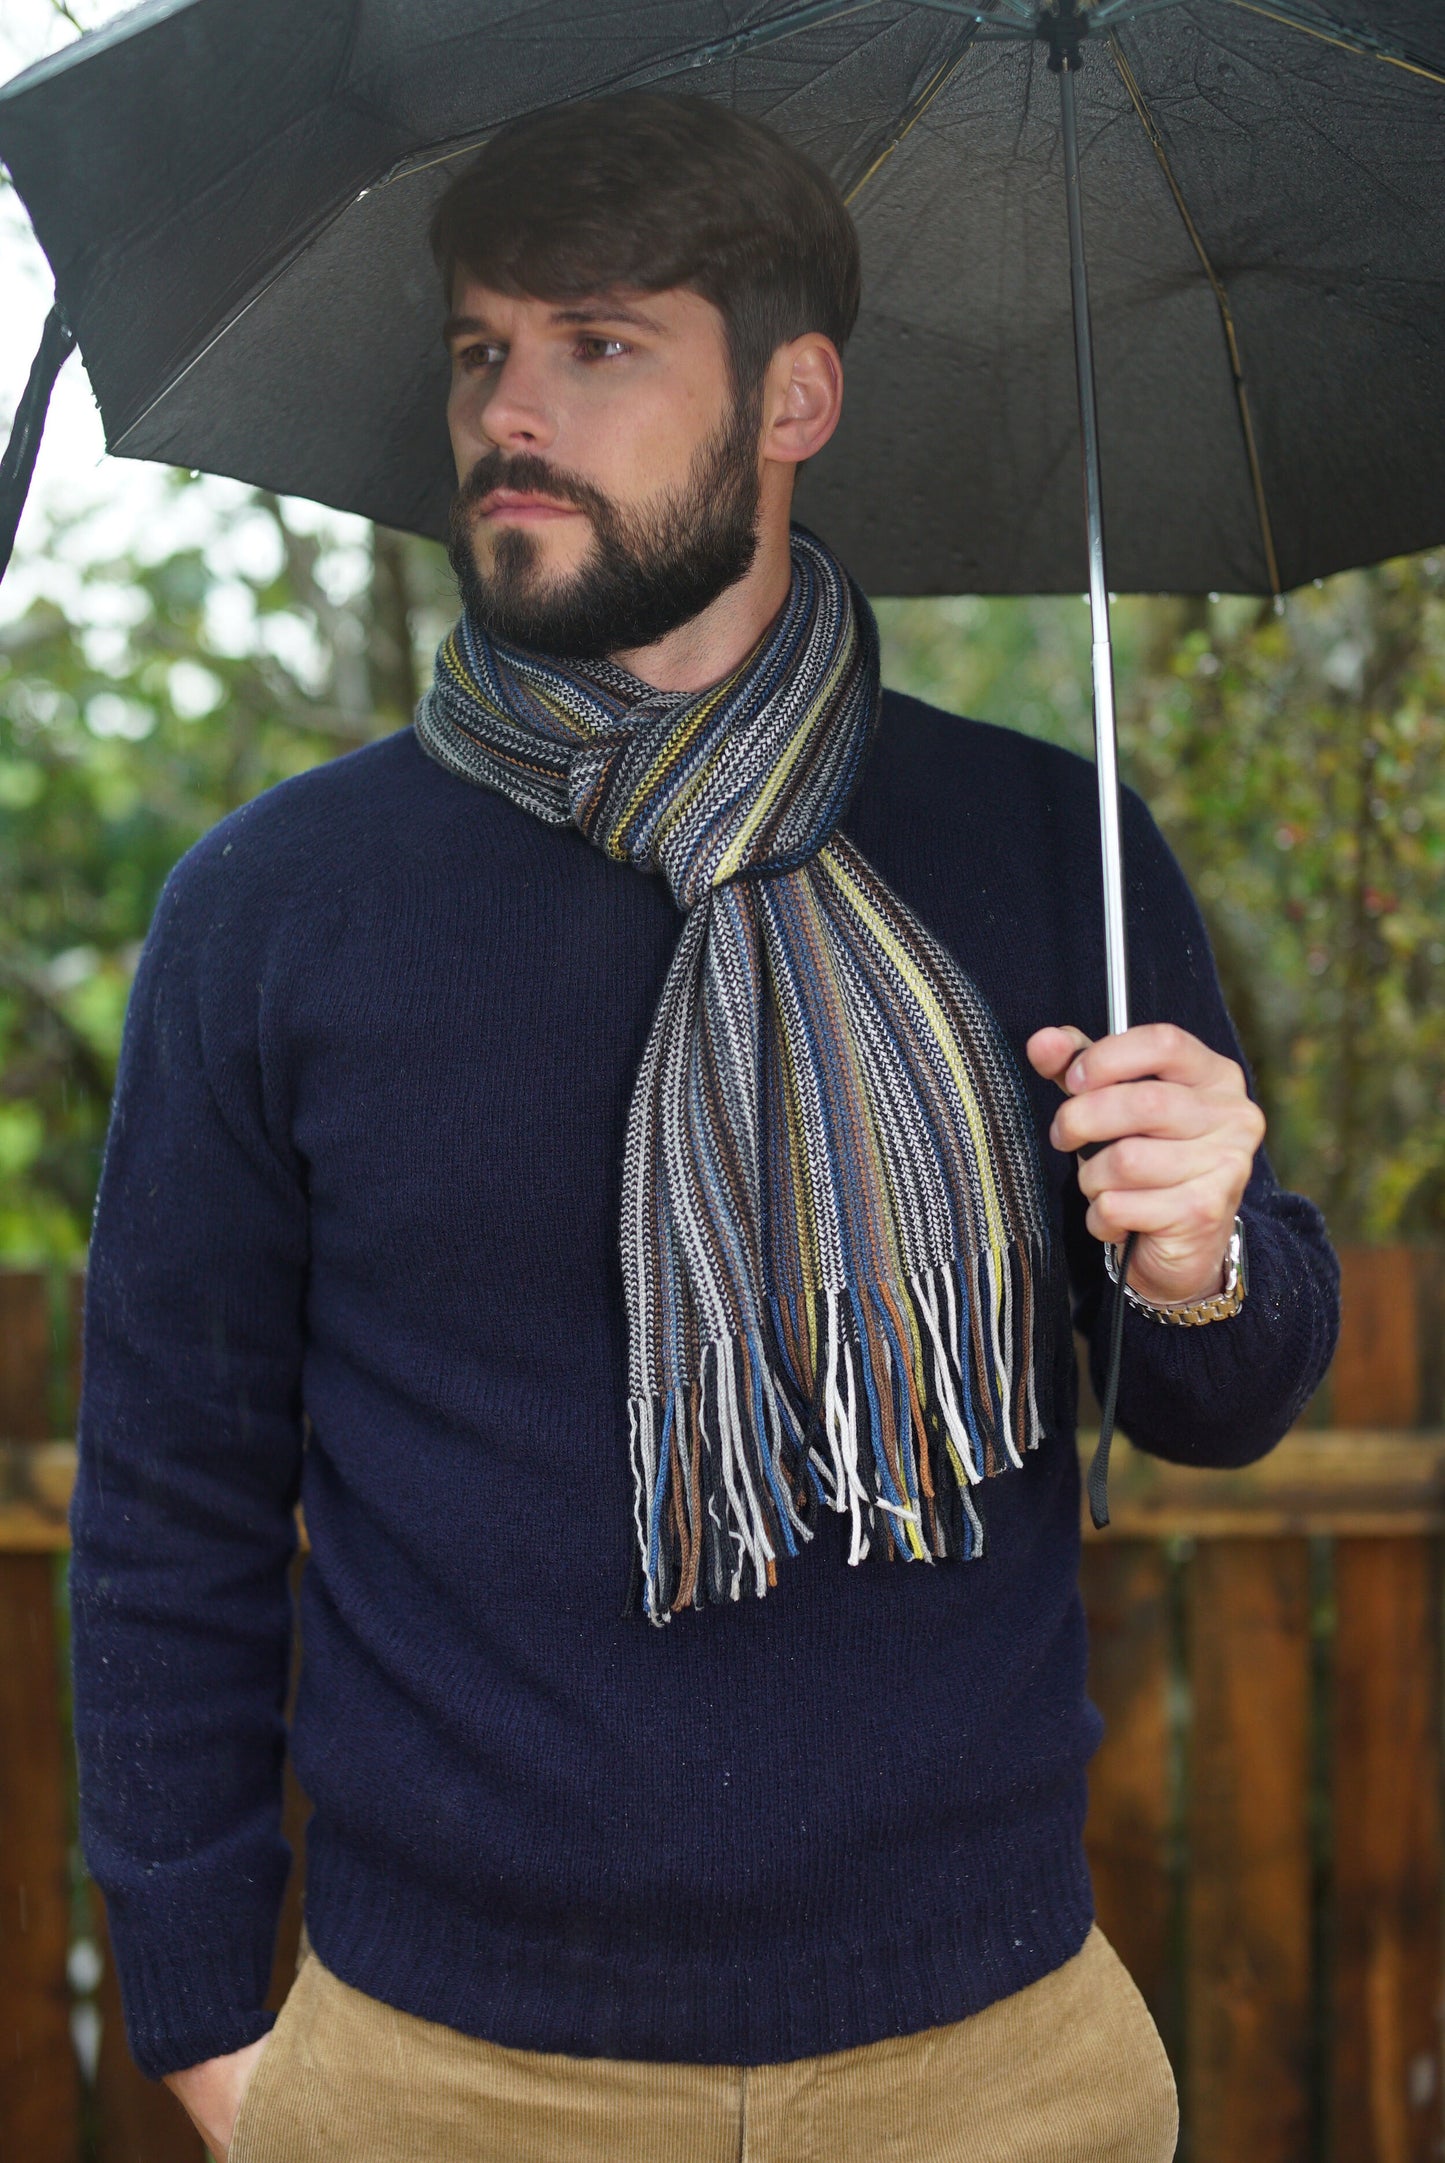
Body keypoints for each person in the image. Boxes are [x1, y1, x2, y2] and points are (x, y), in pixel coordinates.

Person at [71, 91, 1339, 2163]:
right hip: (442, 2071)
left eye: (597, 343)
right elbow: (170, 1492)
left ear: (794, 392)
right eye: (482, 350)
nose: (511, 409)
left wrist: (1204, 1257)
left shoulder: (1043, 846)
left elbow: (1222, 1391)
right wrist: (210, 2012)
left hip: (991, 2062)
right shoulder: (279, 905)